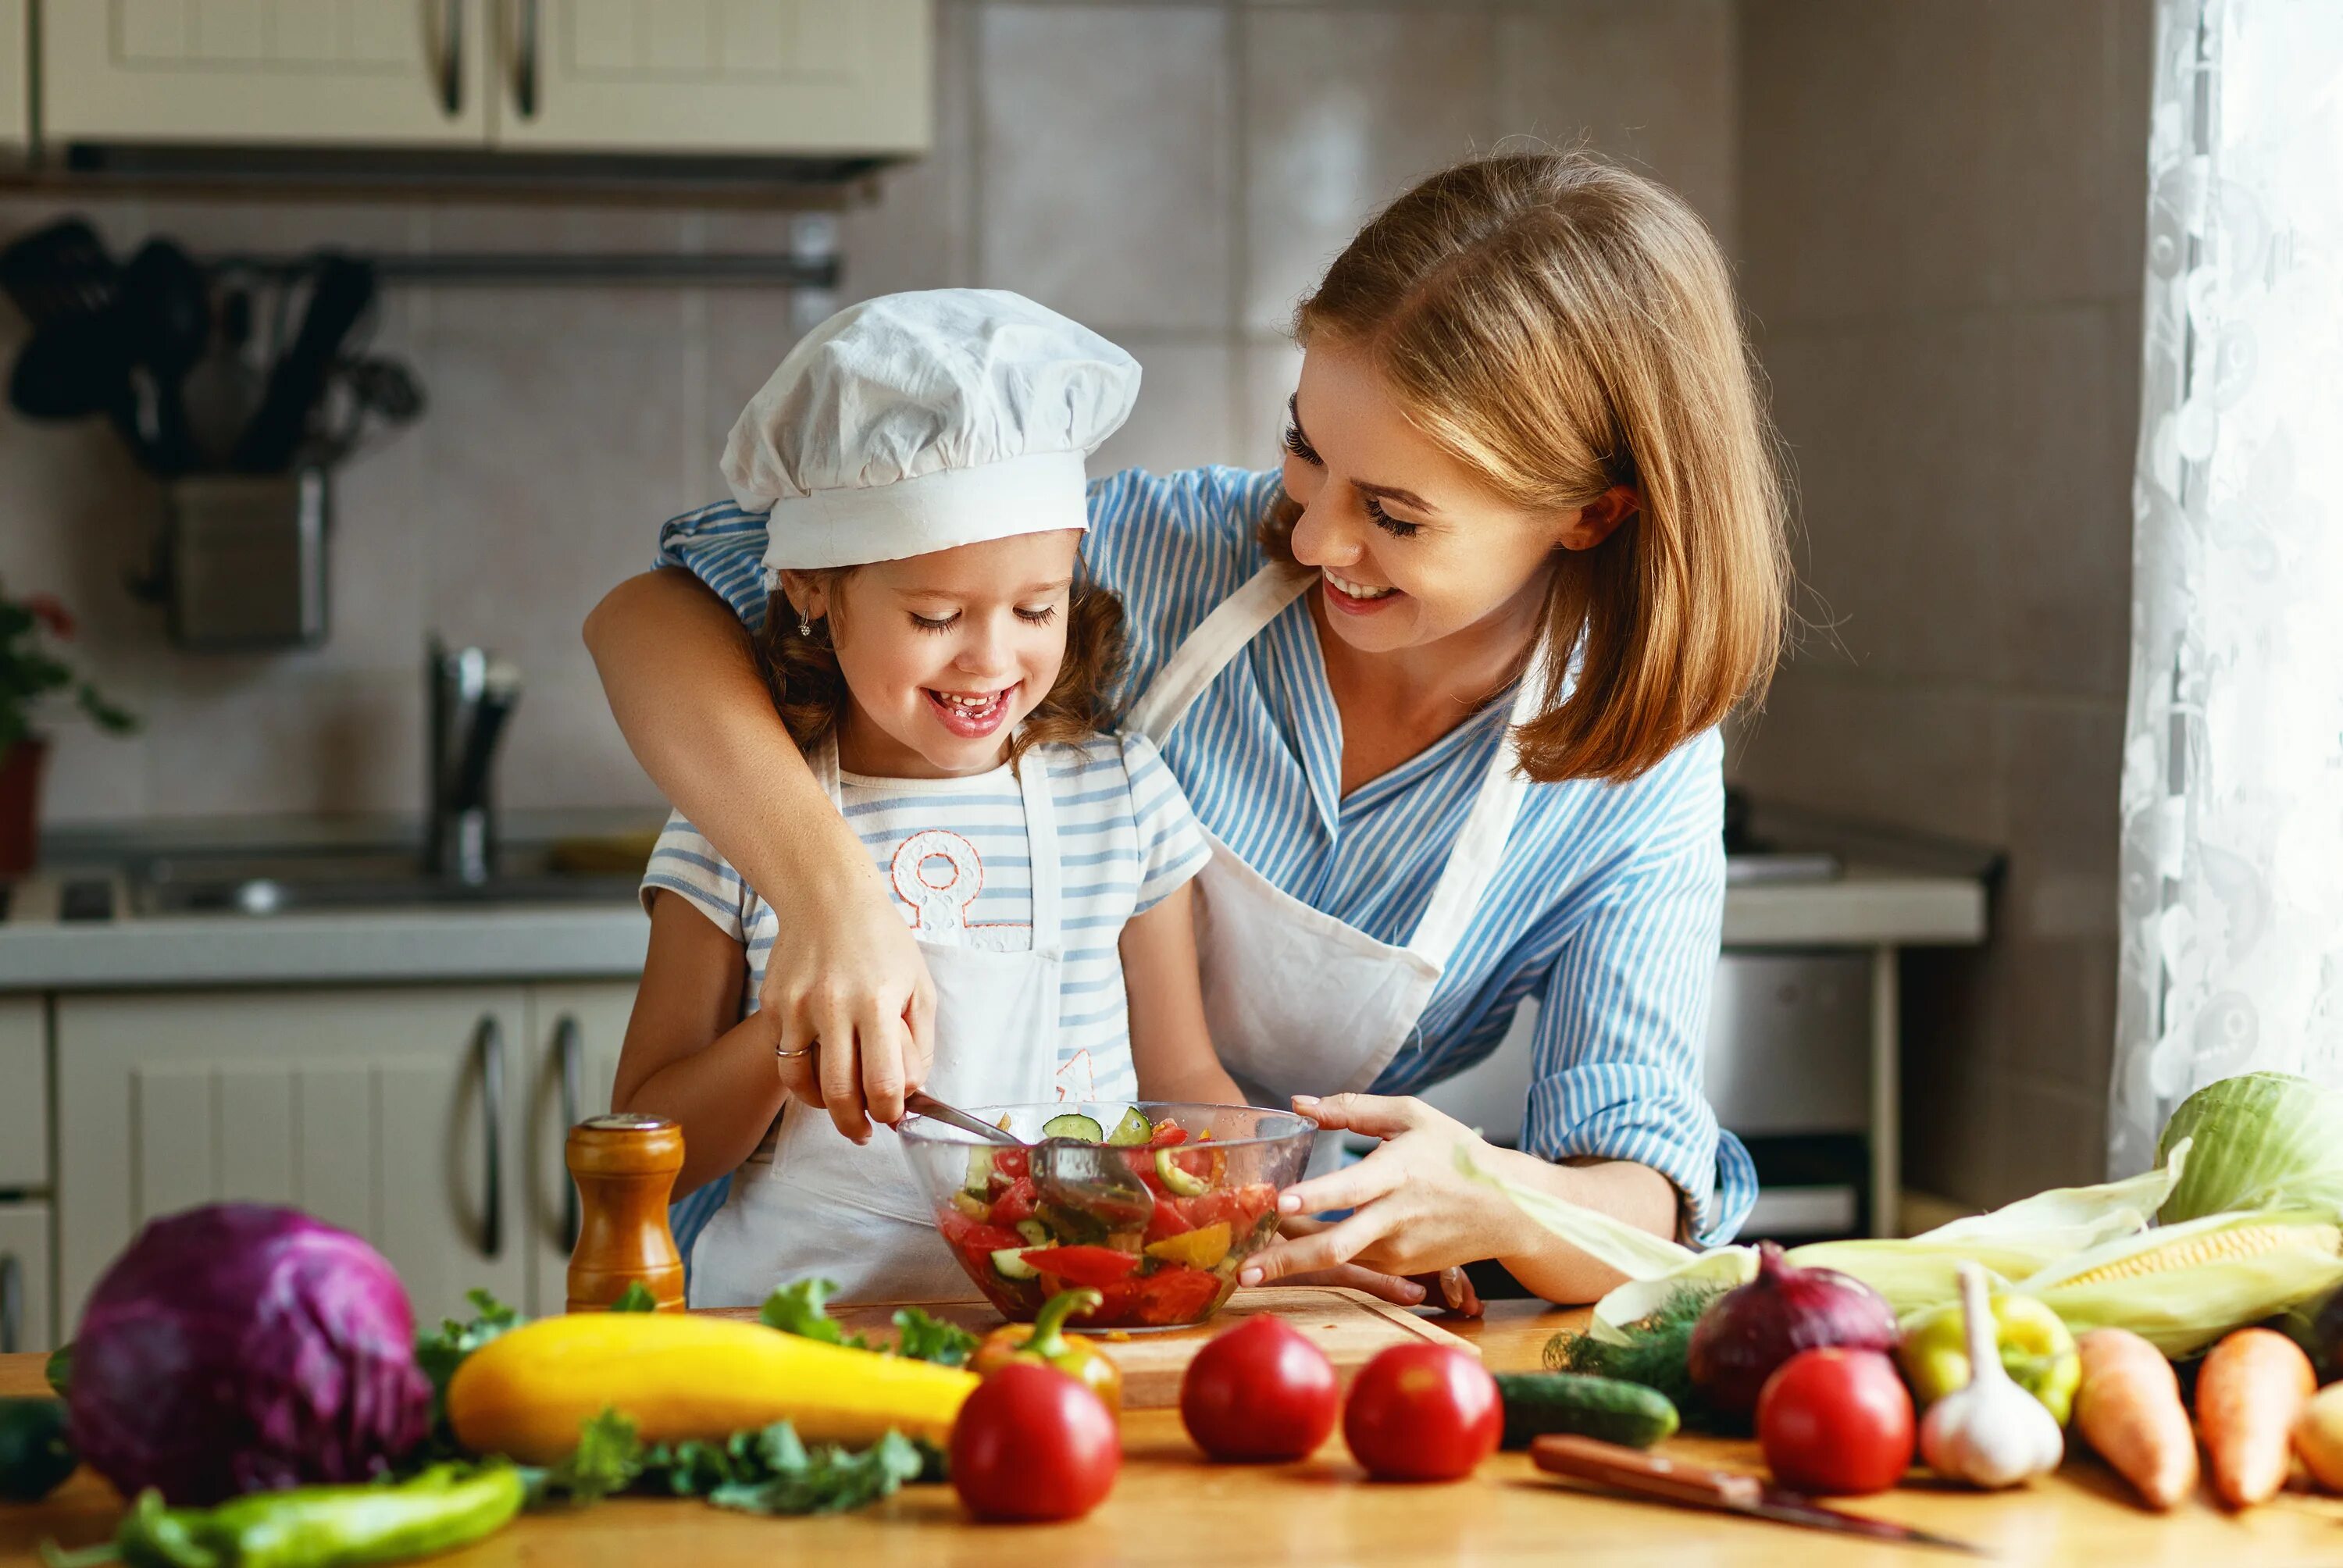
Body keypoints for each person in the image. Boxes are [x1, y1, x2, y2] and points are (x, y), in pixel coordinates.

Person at [587, 152, 1791, 1307]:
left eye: (1395, 515)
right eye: (1306, 452)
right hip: (784, 1283)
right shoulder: (1165, 555)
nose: (1314, 539)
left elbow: (1643, 1185)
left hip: (1201, 1281)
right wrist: (833, 900)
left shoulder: (1634, 773)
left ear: (1588, 514)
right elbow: (656, 614)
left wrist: (1501, 1199)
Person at [611, 290, 1241, 1306]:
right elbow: (654, 1147)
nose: (992, 659)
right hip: (788, 1343)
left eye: (1037, 607)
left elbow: (1188, 1089)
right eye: (937, 614)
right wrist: (790, 1045)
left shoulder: (1119, 801)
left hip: (1051, 1348)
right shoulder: (742, 820)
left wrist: (1262, 1216)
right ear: (816, 587)